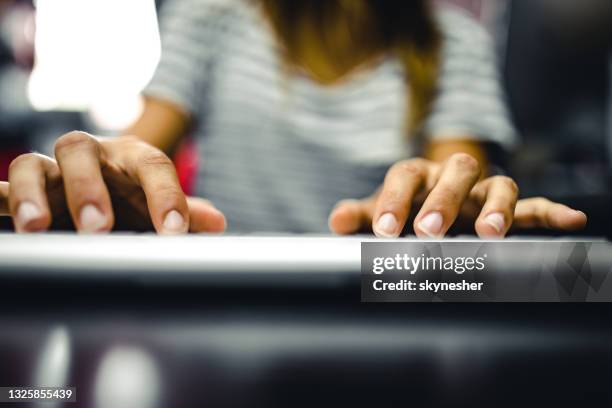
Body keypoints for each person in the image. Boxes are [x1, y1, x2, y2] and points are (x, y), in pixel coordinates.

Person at [0, 0, 587, 237]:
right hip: (219, 300)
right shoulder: (215, 15)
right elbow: (136, 154)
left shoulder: (455, 41)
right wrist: (96, 179)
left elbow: (451, 186)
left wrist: (449, 216)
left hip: (380, 300)